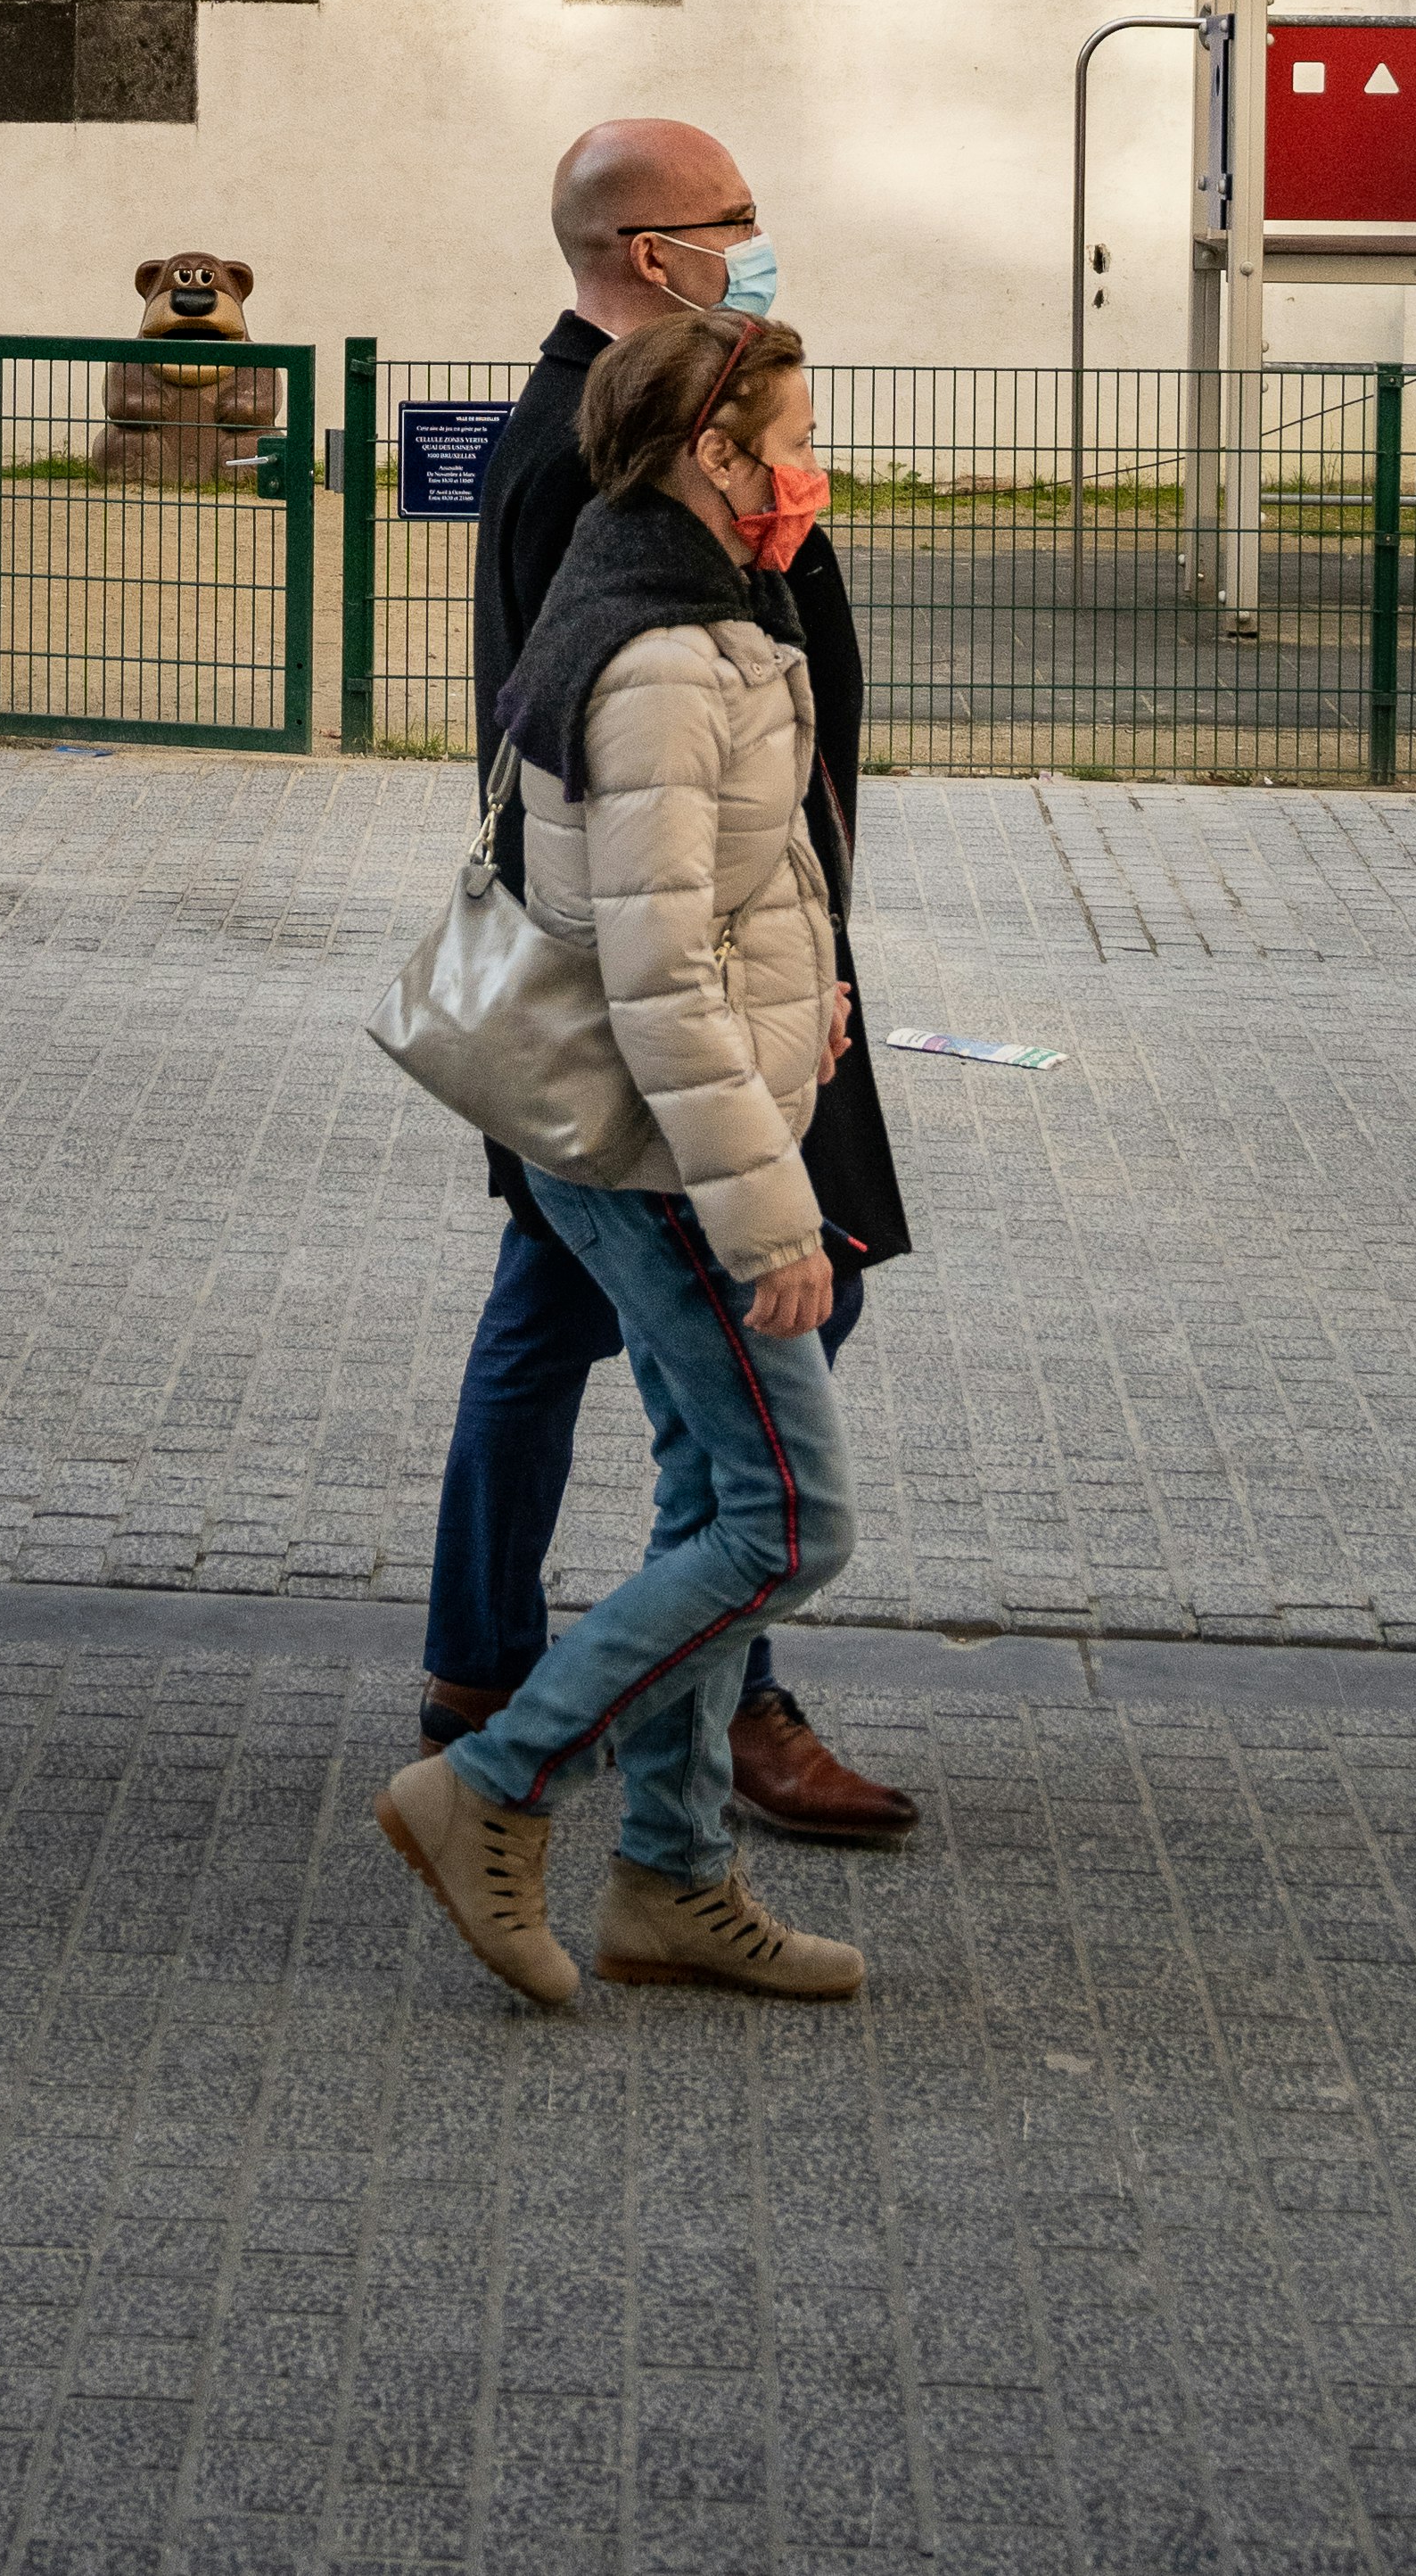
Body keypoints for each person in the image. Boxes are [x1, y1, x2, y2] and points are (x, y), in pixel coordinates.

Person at [416, 112, 918, 1848]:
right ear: (650, 254)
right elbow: (630, 809)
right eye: (736, 220)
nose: (758, 240)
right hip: (666, 1002)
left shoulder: (626, 416)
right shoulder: (601, 448)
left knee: (554, 1317)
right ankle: (658, 1707)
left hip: (706, 973)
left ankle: (512, 1689)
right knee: (756, 1367)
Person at [375, 306, 871, 2006]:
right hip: (673, 1161)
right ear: (713, 457)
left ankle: (670, 1879)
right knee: (787, 1525)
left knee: (703, 1496)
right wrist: (768, 1219)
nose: (813, 469)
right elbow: (655, 971)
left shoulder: (676, 599)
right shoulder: (664, 658)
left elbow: (724, 893)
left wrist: (819, 981)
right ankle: (492, 1785)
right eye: (793, 437)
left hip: (678, 1130)